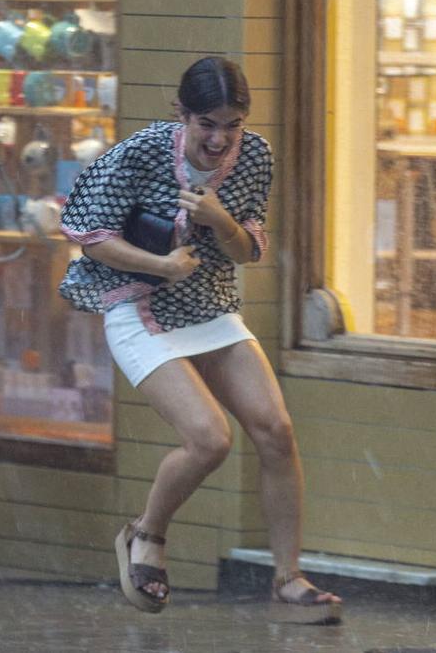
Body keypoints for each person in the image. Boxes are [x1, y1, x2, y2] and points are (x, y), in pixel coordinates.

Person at [58, 56, 342, 623]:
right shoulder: (138, 154)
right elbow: (88, 236)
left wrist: (220, 220)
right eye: (206, 123)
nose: (219, 138)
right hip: (136, 302)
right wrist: (159, 265)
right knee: (210, 439)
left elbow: (249, 251)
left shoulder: (253, 156)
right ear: (182, 115)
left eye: (231, 124)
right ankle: (146, 534)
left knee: (276, 430)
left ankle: (288, 578)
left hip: (208, 302)